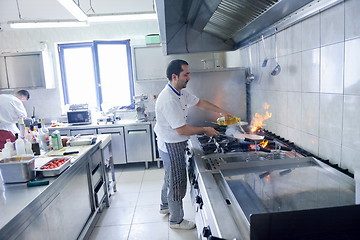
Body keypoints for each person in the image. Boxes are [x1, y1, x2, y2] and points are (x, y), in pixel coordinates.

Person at [154, 59, 235, 230]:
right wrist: (205, 129)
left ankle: (165, 206)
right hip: (171, 144)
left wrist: (221, 111)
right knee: (177, 180)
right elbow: (182, 130)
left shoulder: (179, 92)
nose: (189, 78)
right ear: (175, 76)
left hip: (169, 140)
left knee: (169, 175)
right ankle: (176, 220)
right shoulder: (169, 99)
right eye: (186, 74)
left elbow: (200, 102)